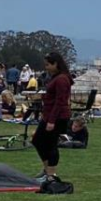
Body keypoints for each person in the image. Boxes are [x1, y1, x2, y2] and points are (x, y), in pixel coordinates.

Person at [31, 52, 73, 184]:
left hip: (57, 117)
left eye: (48, 65)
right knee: (38, 140)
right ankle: (46, 169)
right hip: (49, 115)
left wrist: (52, 121)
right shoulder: (56, 77)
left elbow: (60, 101)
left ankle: (51, 174)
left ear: (56, 64)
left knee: (51, 144)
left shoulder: (61, 79)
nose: (46, 67)